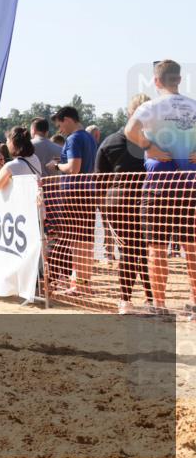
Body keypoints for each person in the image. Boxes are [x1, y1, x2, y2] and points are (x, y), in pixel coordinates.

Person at [124, 60, 196, 316]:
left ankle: (160, 305)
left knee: (156, 246)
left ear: (156, 81)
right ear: (179, 79)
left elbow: (129, 129)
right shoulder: (192, 105)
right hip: (189, 184)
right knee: (191, 245)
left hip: (159, 184)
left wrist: (148, 148)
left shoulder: (151, 106)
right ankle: (195, 302)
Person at [97, 93, 153, 314]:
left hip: (125, 205)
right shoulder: (155, 141)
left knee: (138, 251)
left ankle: (137, 300)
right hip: (132, 205)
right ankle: (142, 300)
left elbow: (99, 181)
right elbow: (100, 181)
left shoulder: (111, 142)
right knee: (140, 251)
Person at [48, 106, 99, 296]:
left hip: (74, 194)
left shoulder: (74, 138)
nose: (59, 129)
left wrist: (56, 165)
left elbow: (73, 167)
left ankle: (78, 285)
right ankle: (84, 284)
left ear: (67, 119)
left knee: (76, 241)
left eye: (60, 124)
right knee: (85, 241)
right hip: (88, 192)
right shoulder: (89, 138)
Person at [0, 127, 42, 191]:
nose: (6, 144)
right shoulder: (35, 158)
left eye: (7, 141)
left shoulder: (11, 166)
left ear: (12, 143)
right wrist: (1, 167)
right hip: (35, 200)